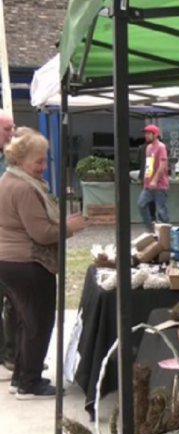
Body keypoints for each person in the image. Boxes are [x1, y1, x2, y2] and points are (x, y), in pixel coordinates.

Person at [0, 128, 87, 399]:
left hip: (10, 261)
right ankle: (30, 382)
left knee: (26, 323)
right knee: (39, 323)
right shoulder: (24, 188)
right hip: (28, 262)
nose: (43, 166)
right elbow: (41, 233)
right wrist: (69, 226)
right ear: (21, 159)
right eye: (38, 160)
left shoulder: (8, 180)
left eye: (44, 160)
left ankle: (22, 377)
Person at [0, 111, 18, 374]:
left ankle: (13, 353)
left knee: (15, 300)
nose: (12, 133)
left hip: (10, 241)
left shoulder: (12, 159)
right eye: (7, 129)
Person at [137, 124, 170, 231]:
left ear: (155, 134)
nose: (146, 135)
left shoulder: (161, 147)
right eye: (145, 133)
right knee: (141, 204)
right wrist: (145, 179)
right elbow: (149, 164)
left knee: (161, 211)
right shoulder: (148, 148)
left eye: (148, 133)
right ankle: (150, 229)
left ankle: (166, 234)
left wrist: (155, 180)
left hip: (160, 185)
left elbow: (163, 165)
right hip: (148, 184)